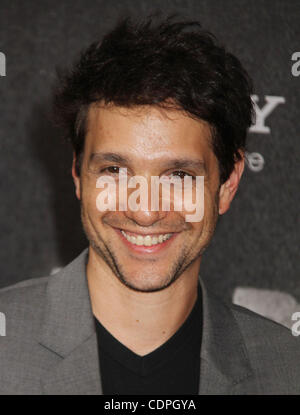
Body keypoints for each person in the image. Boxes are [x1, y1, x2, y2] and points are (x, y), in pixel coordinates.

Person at [1, 15, 300, 395]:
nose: (145, 211)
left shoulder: (289, 370)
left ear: (227, 183)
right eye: (114, 169)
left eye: (178, 176)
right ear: (78, 173)